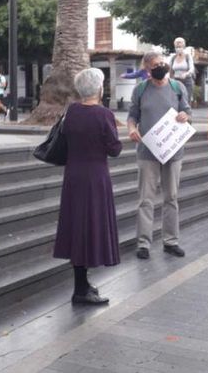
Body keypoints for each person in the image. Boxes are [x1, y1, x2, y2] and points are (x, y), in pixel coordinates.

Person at [53, 68, 122, 305]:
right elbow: (114, 149)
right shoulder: (103, 115)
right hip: (95, 177)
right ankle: (81, 290)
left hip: (73, 176)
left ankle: (81, 284)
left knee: (76, 228)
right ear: (99, 89)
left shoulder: (71, 112)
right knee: (91, 227)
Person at [128, 51, 192, 260]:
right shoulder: (140, 90)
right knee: (146, 199)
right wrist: (131, 129)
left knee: (171, 197)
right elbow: (132, 115)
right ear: (147, 68)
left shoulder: (178, 87)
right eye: (156, 64)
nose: (161, 66)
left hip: (173, 152)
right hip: (147, 152)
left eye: (163, 62)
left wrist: (185, 116)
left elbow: (187, 112)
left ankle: (171, 241)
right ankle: (143, 243)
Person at [169, 37, 196, 104]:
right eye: (177, 45)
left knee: (186, 101)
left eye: (180, 45)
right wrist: (169, 80)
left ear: (183, 46)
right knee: (175, 100)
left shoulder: (187, 56)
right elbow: (170, 70)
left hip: (187, 81)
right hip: (176, 81)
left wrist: (186, 74)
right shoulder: (173, 58)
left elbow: (192, 69)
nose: (178, 46)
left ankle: (187, 114)